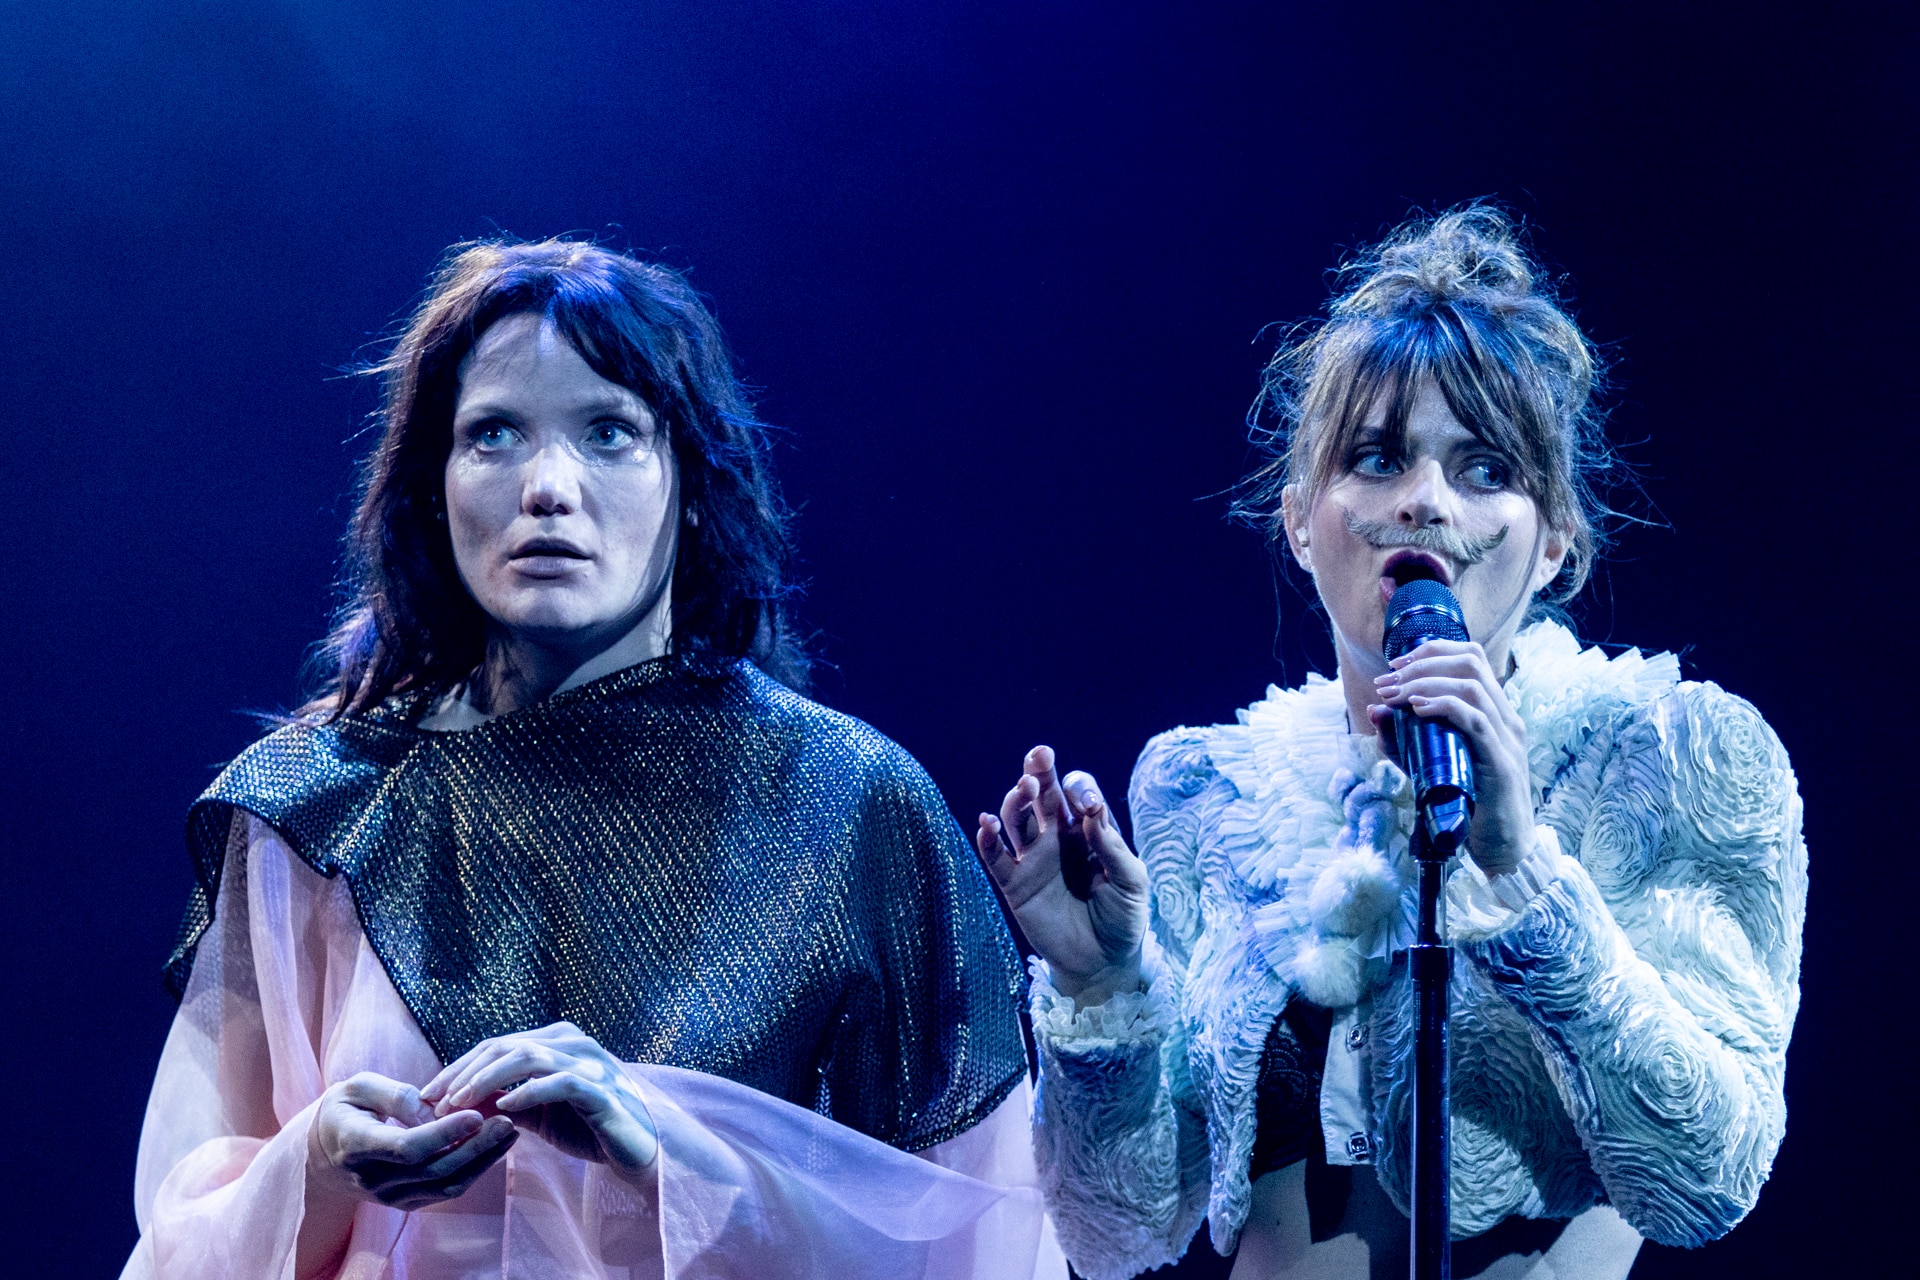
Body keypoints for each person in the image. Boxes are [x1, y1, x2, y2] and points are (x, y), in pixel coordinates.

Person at [123, 238, 1064, 1280]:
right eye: (493, 435)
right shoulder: (317, 808)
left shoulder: (846, 805)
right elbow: (176, 1243)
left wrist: (669, 1155)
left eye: (609, 431)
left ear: (693, 480)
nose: (546, 487)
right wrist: (317, 1167)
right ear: (434, 486)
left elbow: (983, 1241)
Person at [977, 208, 1805, 1280]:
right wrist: (1099, 986)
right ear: (1298, 518)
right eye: (1377, 458)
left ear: (1555, 539)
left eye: (1485, 469)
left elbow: (1708, 1179)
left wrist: (1524, 872)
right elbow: (1115, 1236)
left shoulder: (1668, 756)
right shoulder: (1209, 791)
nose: (1424, 501)